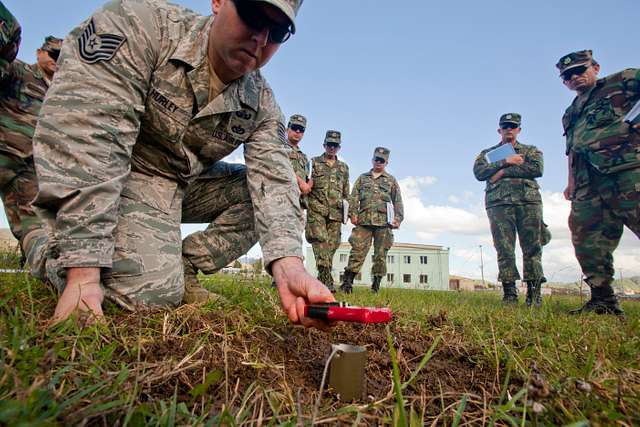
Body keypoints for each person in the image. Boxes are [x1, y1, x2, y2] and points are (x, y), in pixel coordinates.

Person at [29, 0, 334, 328]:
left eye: (276, 32)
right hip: (117, 174)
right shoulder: (142, 25)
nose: (260, 39)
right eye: (252, 15)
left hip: (181, 185)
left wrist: (289, 266)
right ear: (218, 2)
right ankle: (42, 244)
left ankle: (182, 268)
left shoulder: (260, 102)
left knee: (261, 191)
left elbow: (274, 181)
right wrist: (83, 272)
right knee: (146, 296)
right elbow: (88, 136)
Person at [558, 50, 640, 315]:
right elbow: (572, 149)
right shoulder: (571, 112)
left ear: (596, 67)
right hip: (586, 183)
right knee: (586, 239)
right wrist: (571, 183)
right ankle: (602, 300)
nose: (575, 77)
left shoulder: (624, 80)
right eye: (568, 75)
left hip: (627, 171)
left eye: (580, 70)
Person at [0, 2, 62, 267]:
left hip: (31, 170)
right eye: (54, 54)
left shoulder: (64, 91)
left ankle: (40, 270)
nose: (58, 61)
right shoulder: (18, 72)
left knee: (32, 225)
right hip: (6, 154)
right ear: (39, 52)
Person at [473, 113, 547, 307]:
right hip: (499, 204)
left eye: (513, 126)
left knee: (532, 247)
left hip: (528, 202)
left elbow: (537, 169)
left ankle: (534, 293)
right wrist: (506, 161)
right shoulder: (489, 154)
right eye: (505, 126)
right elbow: (479, 172)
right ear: (499, 130)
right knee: (504, 248)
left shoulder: (530, 150)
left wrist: (503, 172)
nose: (509, 129)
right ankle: (509, 293)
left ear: (519, 130)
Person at [340, 147, 403, 293]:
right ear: (372, 160)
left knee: (380, 255)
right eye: (376, 159)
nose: (378, 162)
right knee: (357, 251)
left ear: (386, 162)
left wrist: (398, 219)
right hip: (363, 222)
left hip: (383, 224)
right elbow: (353, 197)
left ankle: (376, 285)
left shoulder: (391, 180)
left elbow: (398, 201)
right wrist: (352, 214)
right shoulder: (363, 178)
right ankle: (347, 283)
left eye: (382, 160)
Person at [306, 130, 349, 292]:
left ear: (339, 147)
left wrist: (349, 212)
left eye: (335, 145)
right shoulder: (314, 162)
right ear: (324, 145)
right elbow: (306, 185)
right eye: (329, 144)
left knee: (332, 245)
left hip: (336, 213)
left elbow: (346, 193)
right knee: (320, 241)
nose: (332, 147)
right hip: (317, 209)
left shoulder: (344, 168)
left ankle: (321, 278)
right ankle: (326, 279)